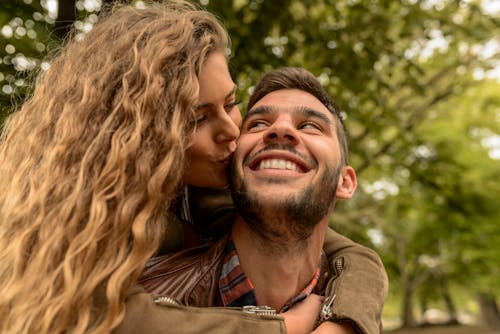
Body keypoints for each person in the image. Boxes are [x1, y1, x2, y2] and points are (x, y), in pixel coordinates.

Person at [0, 1, 385, 333]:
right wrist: (285, 327)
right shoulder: (77, 208)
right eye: (198, 119)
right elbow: (102, 319)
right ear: (139, 138)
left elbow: (352, 253)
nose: (232, 129)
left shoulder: (207, 193)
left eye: (232, 102)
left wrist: (345, 321)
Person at [140, 67, 388, 334]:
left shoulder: (352, 307)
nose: (280, 129)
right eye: (258, 124)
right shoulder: (140, 296)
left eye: (309, 126)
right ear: (230, 165)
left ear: (345, 182)